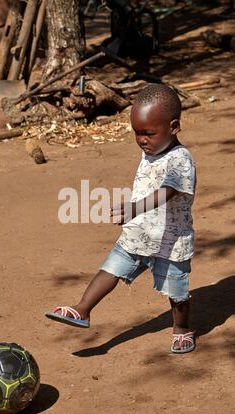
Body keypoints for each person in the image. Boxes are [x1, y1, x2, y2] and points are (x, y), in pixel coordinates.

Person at [46, 83, 197, 354]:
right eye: (137, 133)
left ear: (174, 127)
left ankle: (181, 330)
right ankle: (82, 310)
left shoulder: (181, 159)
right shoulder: (150, 149)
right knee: (111, 268)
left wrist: (136, 207)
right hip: (139, 234)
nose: (142, 140)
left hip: (170, 242)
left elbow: (168, 190)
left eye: (148, 133)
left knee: (177, 292)